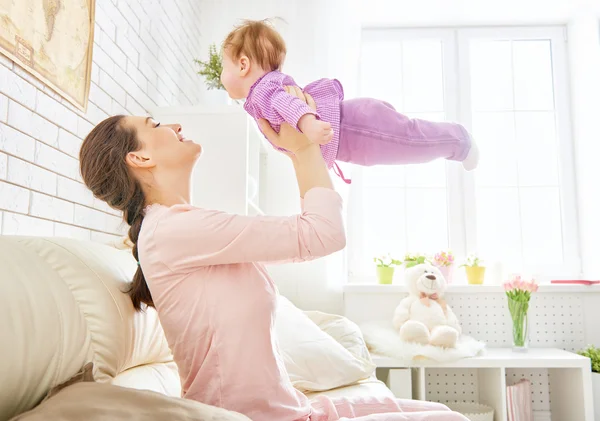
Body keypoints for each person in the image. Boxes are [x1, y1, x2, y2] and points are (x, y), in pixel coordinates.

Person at [79, 88, 468, 421]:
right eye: (155, 125)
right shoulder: (173, 230)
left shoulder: (179, 227)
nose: (174, 126)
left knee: (447, 413)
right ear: (140, 159)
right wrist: (304, 148)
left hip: (291, 411)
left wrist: (302, 149)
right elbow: (322, 234)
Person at [219, 20, 479, 184]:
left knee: (411, 141)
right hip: (352, 133)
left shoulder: (265, 91)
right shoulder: (260, 95)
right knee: (408, 144)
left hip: (354, 126)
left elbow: (287, 103)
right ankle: (456, 143)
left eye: (223, 66)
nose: (221, 74)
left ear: (243, 65)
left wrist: (308, 124)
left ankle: (460, 141)